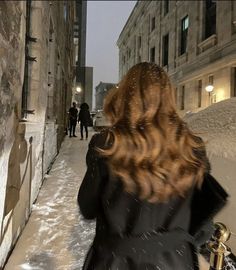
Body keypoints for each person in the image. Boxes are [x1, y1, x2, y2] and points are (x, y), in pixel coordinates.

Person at [78, 62, 228, 270]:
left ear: (126, 98)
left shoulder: (107, 144)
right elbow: (203, 229)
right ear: (168, 98)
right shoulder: (192, 148)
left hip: (115, 262)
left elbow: (87, 207)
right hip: (173, 262)